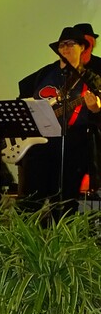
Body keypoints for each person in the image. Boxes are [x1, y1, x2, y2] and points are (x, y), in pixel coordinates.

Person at [18, 25, 101, 213]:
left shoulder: (91, 79)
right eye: (62, 45)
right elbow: (24, 100)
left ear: (82, 48)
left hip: (74, 145)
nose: (65, 48)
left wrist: (94, 107)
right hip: (40, 145)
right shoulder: (44, 74)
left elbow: (97, 111)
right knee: (32, 199)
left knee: (65, 202)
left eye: (71, 44)